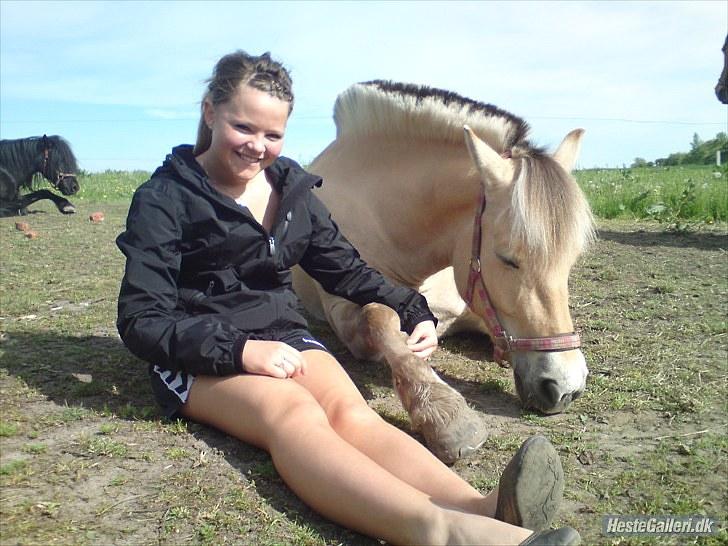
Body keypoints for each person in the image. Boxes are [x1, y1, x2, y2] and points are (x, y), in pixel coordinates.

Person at [116, 50, 580, 546]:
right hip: (199, 355)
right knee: (293, 416)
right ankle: (447, 534)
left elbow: (347, 269)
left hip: (284, 338)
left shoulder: (291, 193)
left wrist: (411, 308)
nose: (257, 146)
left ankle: (484, 506)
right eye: (244, 127)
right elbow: (142, 319)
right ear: (211, 112)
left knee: (353, 414)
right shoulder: (164, 199)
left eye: (273, 135)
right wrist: (242, 352)